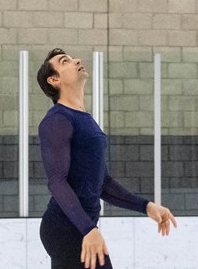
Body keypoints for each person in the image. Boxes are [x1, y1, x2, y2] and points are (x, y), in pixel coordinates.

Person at [36, 47, 177, 269]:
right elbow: (57, 181)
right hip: (66, 228)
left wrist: (146, 206)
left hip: (80, 227)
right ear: (54, 79)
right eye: (65, 61)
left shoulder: (84, 119)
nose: (76, 60)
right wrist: (88, 229)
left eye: (73, 58)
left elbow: (102, 183)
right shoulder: (57, 120)